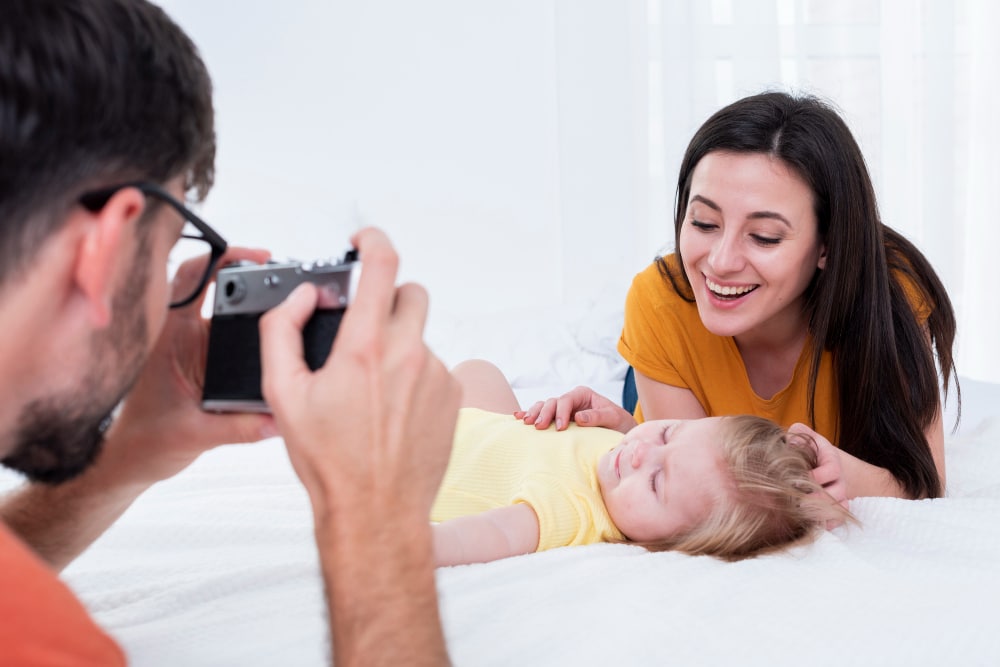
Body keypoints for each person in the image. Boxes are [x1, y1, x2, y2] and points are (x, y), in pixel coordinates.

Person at [0, 1, 458, 665]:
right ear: (105, 246)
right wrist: (375, 523)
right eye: (161, 257)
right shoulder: (52, 641)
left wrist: (126, 459)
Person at [520, 91, 957, 502]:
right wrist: (624, 433)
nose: (721, 261)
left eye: (764, 237)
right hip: (673, 376)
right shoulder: (659, 302)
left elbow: (925, 479)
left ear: (828, 245)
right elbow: (697, 492)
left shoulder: (889, 291)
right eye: (704, 223)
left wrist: (852, 477)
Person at [433, 360, 850, 566]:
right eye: (669, 434)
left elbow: (491, 534)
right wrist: (625, 424)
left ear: (663, 544)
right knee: (479, 371)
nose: (639, 452)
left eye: (655, 482)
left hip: (418, 459)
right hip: (484, 428)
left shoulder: (573, 511)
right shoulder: (628, 449)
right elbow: (642, 446)